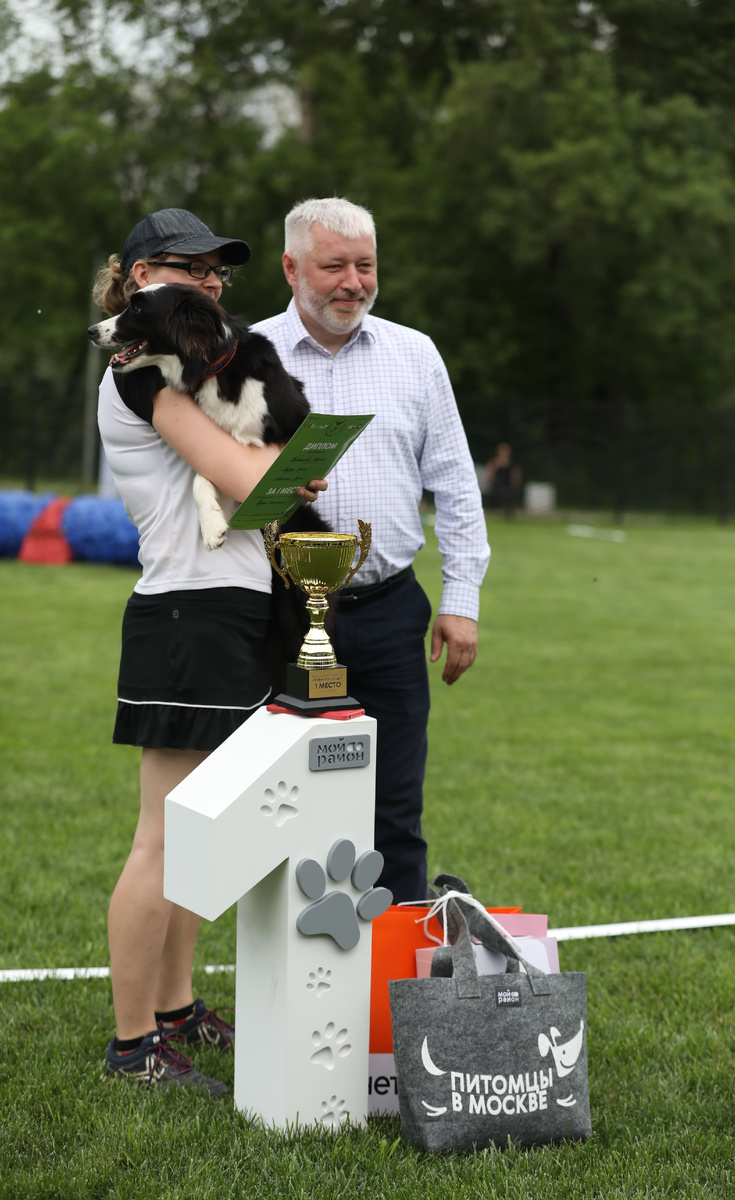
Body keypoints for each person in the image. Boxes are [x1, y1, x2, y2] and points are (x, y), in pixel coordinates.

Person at [94, 208, 326, 1092]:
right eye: (189, 269)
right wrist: (289, 465)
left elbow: (262, 491)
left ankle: (176, 1010)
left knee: (199, 836)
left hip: (228, 608)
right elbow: (246, 478)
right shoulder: (136, 371)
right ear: (144, 277)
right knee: (160, 838)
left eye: (218, 272)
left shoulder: (189, 367)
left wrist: (287, 468)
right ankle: (132, 1048)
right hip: (184, 615)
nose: (210, 283)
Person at [252, 198, 490, 904]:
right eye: (334, 266)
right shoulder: (246, 354)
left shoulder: (415, 354)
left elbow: (456, 483)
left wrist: (461, 601)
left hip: (391, 615)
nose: (353, 282)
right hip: (277, 615)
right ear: (292, 268)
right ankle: (295, 988)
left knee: (394, 813)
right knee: (280, 802)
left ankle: (395, 993)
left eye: (366, 265)